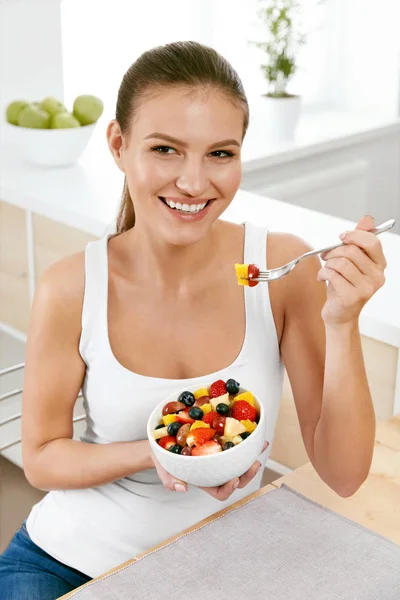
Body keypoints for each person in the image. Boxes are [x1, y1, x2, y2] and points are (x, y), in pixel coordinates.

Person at [0, 40, 387, 599]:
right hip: (64, 563)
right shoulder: (72, 285)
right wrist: (163, 450)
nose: (193, 182)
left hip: (217, 566)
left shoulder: (280, 269)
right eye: (166, 149)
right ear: (118, 144)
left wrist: (343, 321)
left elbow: (344, 475)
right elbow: (40, 458)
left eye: (220, 154)